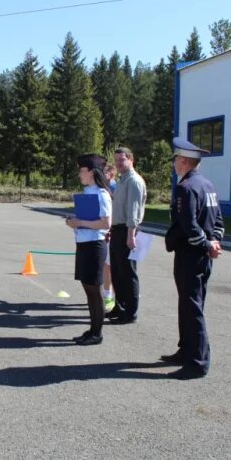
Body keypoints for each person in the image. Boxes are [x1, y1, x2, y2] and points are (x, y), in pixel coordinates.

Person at [163, 138, 224, 380]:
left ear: (185, 161)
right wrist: (214, 242)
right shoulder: (207, 185)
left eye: (177, 160)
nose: (175, 164)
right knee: (188, 304)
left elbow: (189, 225)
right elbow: (219, 222)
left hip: (191, 254)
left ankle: (197, 362)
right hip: (201, 255)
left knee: (193, 307)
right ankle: (186, 349)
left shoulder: (186, 188)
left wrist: (208, 244)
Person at [65, 154, 112, 345]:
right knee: (88, 288)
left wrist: (80, 222)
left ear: (91, 172)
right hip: (84, 244)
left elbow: (106, 223)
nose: (79, 174)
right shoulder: (88, 192)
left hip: (94, 245)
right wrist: (74, 222)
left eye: (82, 170)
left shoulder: (101, 194)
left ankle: (97, 333)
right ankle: (92, 330)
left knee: (95, 289)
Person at [107, 147, 146, 325]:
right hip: (117, 230)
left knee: (128, 273)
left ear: (131, 159)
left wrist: (131, 236)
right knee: (116, 272)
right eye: (116, 160)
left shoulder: (134, 181)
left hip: (127, 231)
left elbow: (134, 211)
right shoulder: (123, 180)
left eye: (122, 160)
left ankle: (130, 313)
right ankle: (120, 306)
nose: (118, 164)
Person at [102, 163, 118, 312]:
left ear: (111, 175)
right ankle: (107, 294)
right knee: (106, 266)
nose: (101, 175)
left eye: (104, 173)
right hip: (104, 231)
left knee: (110, 266)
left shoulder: (115, 189)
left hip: (113, 232)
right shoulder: (103, 189)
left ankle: (111, 296)